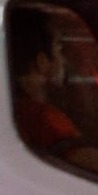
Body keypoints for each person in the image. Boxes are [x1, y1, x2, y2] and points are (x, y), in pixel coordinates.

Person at [10, 9, 82, 151]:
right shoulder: (45, 119)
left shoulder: (11, 110)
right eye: (59, 49)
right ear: (41, 62)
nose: (64, 60)